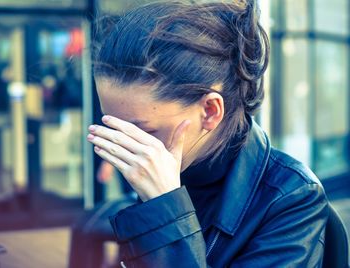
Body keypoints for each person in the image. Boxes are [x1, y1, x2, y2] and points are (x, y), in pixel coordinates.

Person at [86, 1, 328, 267]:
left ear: (211, 111)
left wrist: (165, 213)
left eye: (142, 130)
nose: (123, 145)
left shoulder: (292, 198)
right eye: (113, 126)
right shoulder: (169, 169)